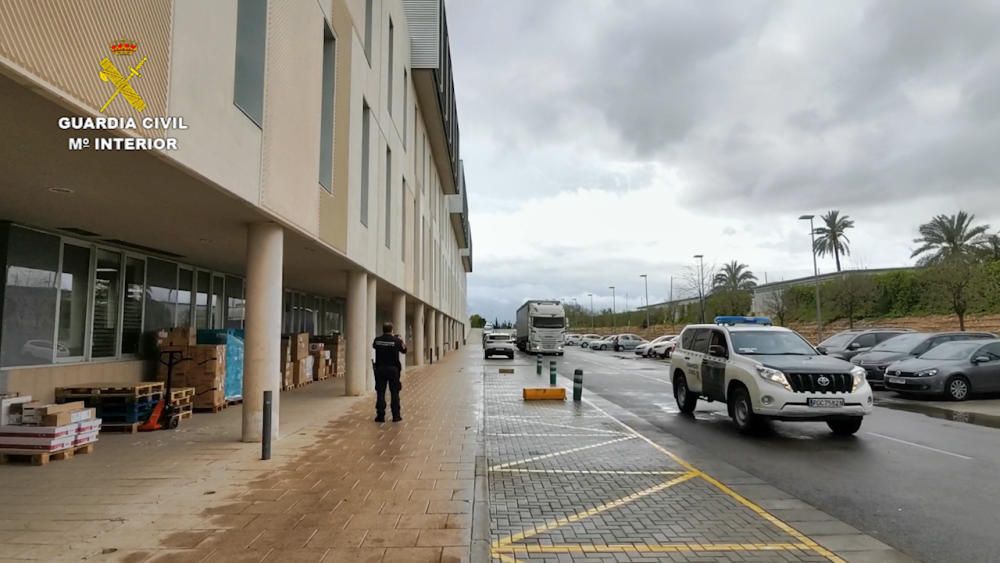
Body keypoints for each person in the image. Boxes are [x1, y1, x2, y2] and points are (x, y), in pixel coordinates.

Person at [372, 322, 407, 422]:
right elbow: (404, 350)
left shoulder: (377, 340)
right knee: (395, 393)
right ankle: (396, 416)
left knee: (380, 392)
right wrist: (400, 340)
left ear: (383, 330)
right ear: (392, 330)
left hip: (380, 370)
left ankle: (380, 416)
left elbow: (374, 346)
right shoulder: (396, 340)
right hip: (393, 370)